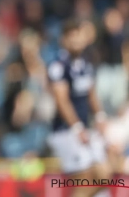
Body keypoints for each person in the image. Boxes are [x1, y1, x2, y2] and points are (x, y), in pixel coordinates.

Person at [47, 19, 112, 197]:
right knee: (87, 179)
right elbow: (62, 100)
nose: (76, 42)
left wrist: (100, 117)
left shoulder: (85, 64)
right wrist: (77, 127)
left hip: (84, 129)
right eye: (72, 38)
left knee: (103, 176)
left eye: (78, 38)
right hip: (67, 131)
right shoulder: (59, 66)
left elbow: (91, 93)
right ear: (64, 40)